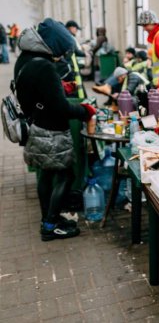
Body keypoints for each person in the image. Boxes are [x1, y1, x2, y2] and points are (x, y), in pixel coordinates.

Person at [14, 18, 96, 241]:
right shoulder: (45, 67)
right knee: (65, 175)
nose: (60, 57)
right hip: (51, 130)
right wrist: (84, 109)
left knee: (47, 174)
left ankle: (48, 219)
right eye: (60, 52)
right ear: (51, 46)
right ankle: (50, 224)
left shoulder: (25, 59)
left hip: (36, 126)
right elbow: (60, 107)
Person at [64, 20, 86, 98]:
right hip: (72, 67)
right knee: (76, 87)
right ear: (71, 28)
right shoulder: (70, 37)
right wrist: (85, 54)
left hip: (71, 66)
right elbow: (76, 51)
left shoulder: (67, 36)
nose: (76, 31)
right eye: (76, 29)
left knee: (77, 87)